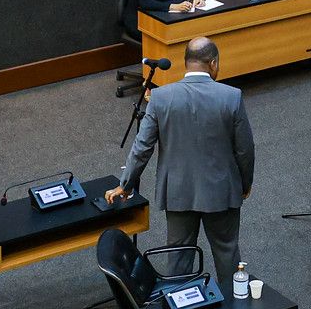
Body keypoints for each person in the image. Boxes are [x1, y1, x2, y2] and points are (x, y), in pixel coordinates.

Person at [105, 36, 256, 280]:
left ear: (186, 64)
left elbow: (142, 147)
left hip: (178, 191)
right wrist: (245, 184)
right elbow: (245, 150)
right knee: (227, 253)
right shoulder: (232, 97)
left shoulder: (161, 98)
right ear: (214, 63)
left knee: (179, 257)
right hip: (221, 191)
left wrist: (125, 185)